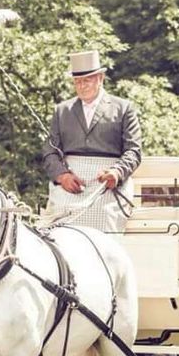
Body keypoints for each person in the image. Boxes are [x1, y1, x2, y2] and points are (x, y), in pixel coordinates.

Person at [42, 49, 142, 231]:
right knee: (61, 217)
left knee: (104, 216)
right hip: (71, 182)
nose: (82, 86)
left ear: (100, 78)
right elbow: (50, 151)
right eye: (77, 81)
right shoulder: (62, 110)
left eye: (87, 80)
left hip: (108, 184)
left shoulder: (123, 108)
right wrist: (62, 176)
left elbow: (133, 151)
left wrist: (117, 172)